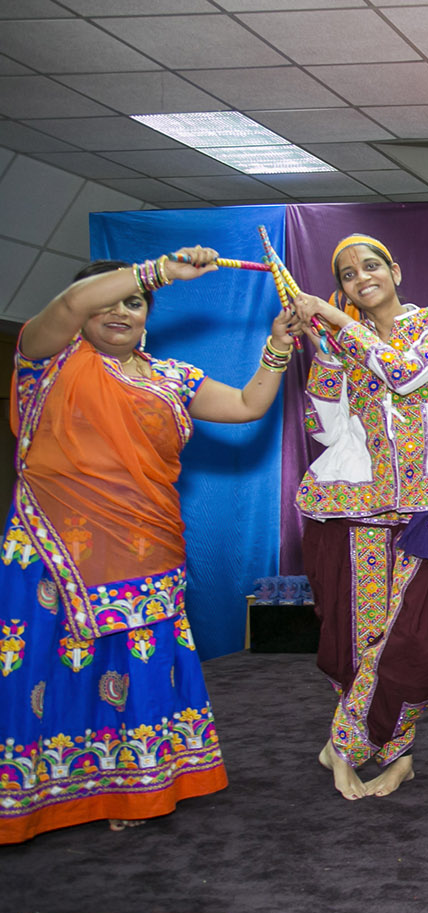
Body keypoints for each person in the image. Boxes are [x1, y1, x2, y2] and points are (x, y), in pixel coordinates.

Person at [0, 248, 297, 843]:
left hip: (145, 549)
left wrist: (279, 344)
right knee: (46, 674)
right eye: (105, 301)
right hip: (55, 555)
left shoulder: (172, 378)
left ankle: (133, 786)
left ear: (148, 315)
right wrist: (154, 271)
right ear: (80, 313)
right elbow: (65, 304)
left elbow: (246, 405)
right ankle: (44, 796)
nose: (119, 311)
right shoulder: (47, 359)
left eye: (133, 303)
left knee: (134, 671)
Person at [292, 234, 428, 801]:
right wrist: (321, 348)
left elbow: (405, 375)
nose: (361, 276)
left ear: (397, 270)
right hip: (361, 507)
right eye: (347, 273)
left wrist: (338, 320)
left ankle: (342, 744)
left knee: (416, 634)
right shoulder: (343, 343)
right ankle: (398, 755)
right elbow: (327, 429)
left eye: (371, 265)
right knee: (365, 636)